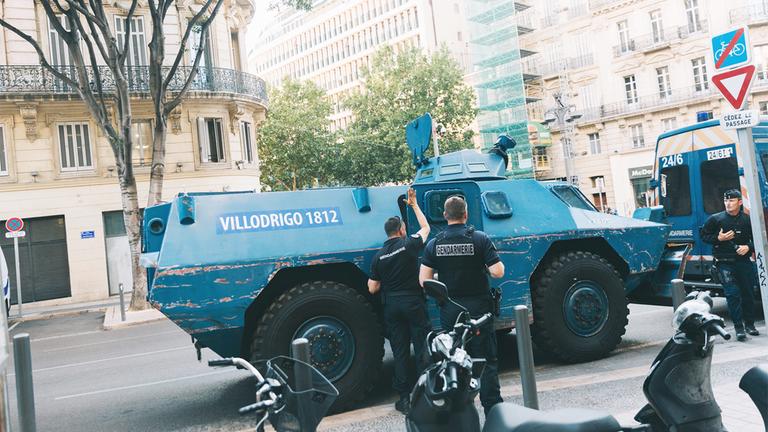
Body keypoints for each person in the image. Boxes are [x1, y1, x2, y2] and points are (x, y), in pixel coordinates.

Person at [418, 195, 505, 415]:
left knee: (454, 361)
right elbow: (498, 271)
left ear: (445, 216)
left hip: (450, 311)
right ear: (465, 214)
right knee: (485, 359)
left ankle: (461, 411)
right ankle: (493, 411)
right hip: (479, 310)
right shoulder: (480, 239)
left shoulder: (434, 244)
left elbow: (424, 280)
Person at [368, 187, 431, 414]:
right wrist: (413, 205)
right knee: (422, 346)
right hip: (413, 302)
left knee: (400, 351)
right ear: (402, 230)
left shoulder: (378, 256)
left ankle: (404, 399)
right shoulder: (410, 244)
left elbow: (373, 288)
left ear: (387, 233)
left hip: (392, 306)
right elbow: (426, 228)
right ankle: (425, 394)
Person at [700, 189, 760, 341]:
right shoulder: (716, 219)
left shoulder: (748, 220)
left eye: (732, 200)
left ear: (740, 202)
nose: (728, 203)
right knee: (733, 295)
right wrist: (718, 238)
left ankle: (750, 325)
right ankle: (739, 328)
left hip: (744, 263)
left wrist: (749, 247)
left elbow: (758, 238)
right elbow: (703, 236)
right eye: (726, 200)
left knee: (748, 294)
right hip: (724, 264)